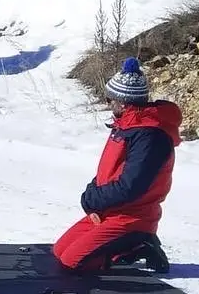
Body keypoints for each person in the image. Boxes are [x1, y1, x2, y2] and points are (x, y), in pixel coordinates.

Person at [52, 57, 181, 273]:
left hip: (133, 217)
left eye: (111, 99)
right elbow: (108, 173)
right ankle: (125, 246)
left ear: (123, 102)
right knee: (60, 251)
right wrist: (91, 199)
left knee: (73, 262)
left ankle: (140, 244)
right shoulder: (126, 126)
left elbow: (131, 187)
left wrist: (93, 199)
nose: (108, 103)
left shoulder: (150, 135)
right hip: (110, 211)